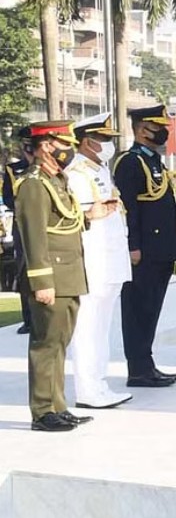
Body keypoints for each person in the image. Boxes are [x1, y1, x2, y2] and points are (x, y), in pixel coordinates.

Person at [16, 121, 92, 431]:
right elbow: (34, 237)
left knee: (60, 342)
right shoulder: (34, 183)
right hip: (52, 277)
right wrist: (42, 282)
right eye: (64, 143)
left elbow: (64, 222)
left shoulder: (56, 179)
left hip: (69, 273)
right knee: (46, 344)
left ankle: (57, 405)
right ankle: (42, 411)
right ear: (47, 145)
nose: (68, 150)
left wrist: (91, 216)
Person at [66, 113, 133, 408]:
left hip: (111, 259)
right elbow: (83, 216)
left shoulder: (102, 169)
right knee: (87, 326)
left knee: (102, 326)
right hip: (92, 260)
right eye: (104, 139)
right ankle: (87, 389)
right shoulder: (77, 172)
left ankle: (99, 383)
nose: (108, 144)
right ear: (87, 141)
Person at [113, 104, 176, 387]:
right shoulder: (130, 162)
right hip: (143, 250)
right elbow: (129, 209)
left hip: (160, 248)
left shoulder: (153, 161)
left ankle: (146, 364)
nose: (164, 132)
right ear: (143, 130)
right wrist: (133, 246)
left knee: (151, 308)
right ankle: (138, 369)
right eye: (158, 127)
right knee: (138, 309)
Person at [3, 127, 34, 335]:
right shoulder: (13, 171)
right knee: (25, 271)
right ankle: (29, 319)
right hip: (23, 226)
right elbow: (8, 199)